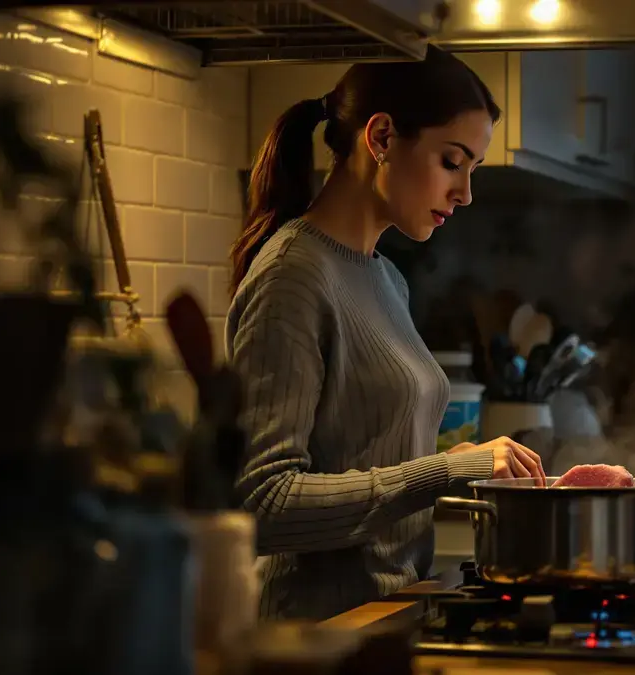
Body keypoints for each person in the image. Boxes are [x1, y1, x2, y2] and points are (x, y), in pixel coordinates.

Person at [226, 47, 545, 621]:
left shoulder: (387, 280)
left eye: (472, 169)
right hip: (314, 638)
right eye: (453, 162)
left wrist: (463, 465)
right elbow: (261, 504)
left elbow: (372, 459)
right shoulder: (292, 277)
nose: (466, 193)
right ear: (381, 138)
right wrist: (447, 471)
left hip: (387, 620)